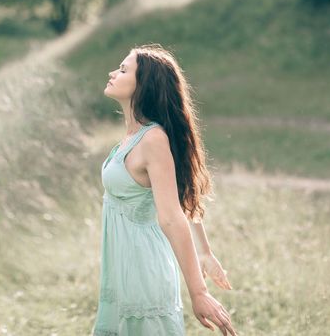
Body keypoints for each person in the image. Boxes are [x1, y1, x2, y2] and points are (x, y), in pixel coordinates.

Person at [92, 43, 238, 336]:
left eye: (123, 70)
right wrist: (205, 251)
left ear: (143, 84)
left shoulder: (153, 140)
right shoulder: (132, 138)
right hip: (121, 271)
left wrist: (198, 293)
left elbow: (171, 217)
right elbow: (181, 194)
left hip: (144, 273)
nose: (112, 73)